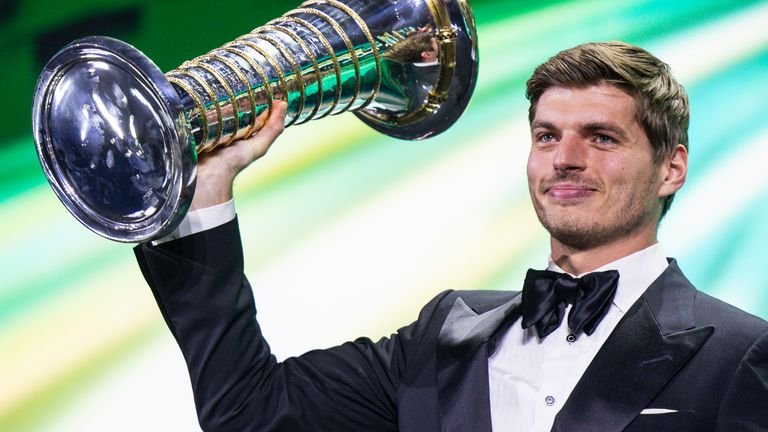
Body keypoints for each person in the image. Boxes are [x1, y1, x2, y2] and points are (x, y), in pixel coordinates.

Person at [135, 42, 768, 431]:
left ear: (671, 167)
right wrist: (208, 190)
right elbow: (251, 415)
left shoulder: (743, 352)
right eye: (547, 136)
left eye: (601, 137)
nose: (564, 158)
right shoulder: (447, 331)